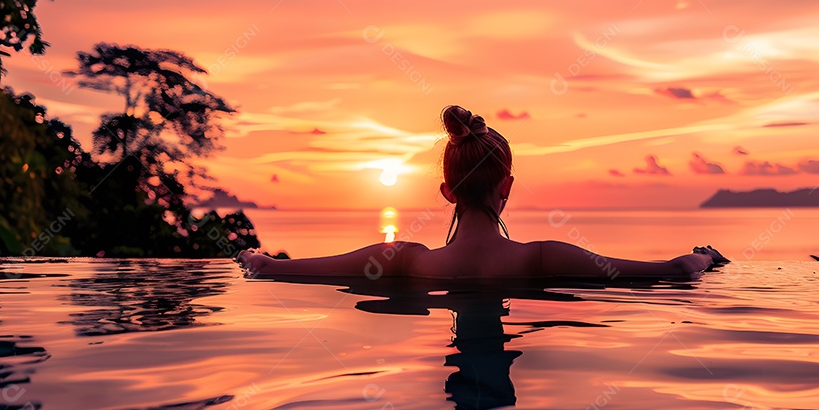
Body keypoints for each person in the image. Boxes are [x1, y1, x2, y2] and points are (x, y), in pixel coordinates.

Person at [237, 105, 729, 279]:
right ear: (506, 186)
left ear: (447, 191)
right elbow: (676, 272)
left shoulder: (405, 263)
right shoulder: (543, 259)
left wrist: (255, 257)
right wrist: (705, 257)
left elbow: (279, 270)